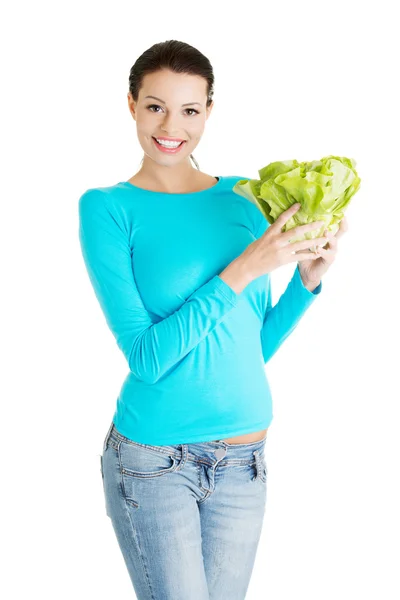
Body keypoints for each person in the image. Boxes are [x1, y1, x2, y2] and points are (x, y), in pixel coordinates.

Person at [78, 39, 344, 600]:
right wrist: (245, 268)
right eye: (155, 106)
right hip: (155, 463)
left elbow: (253, 345)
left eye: (189, 110)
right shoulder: (107, 207)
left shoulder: (248, 198)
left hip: (245, 464)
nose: (171, 125)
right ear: (130, 105)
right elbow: (147, 358)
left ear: (209, 112)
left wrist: (308, 281)